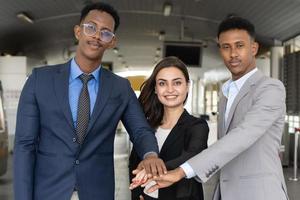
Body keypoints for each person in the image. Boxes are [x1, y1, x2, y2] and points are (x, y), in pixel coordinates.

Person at [13, 2, 166, 200]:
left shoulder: (120, 88)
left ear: (111, 41)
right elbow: (25, 145)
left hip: (97, 191)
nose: (96, 36)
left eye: (105, 32)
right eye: (91, 27)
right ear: (78, 31)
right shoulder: (39, 80)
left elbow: (140, 130)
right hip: (49, 191)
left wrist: (150, 154)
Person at [132, 16, 289, 200]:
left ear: (253, 48)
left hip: (260, 193)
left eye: (240, 45)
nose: (233, 54)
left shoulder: (270, 88)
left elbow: (243, 135)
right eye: (226, 47)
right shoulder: (226, 94)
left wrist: (181, 171)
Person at [129, 57, 209, 200]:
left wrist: (150, 169)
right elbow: (134, 164)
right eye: (162, 83)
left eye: (177, 82)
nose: (170, 89)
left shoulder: (197, 126)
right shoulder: (147, 128)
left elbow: (191, 156)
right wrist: (137, 195)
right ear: (155, 89)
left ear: (187, 86)